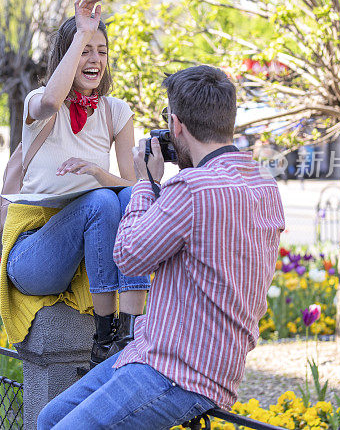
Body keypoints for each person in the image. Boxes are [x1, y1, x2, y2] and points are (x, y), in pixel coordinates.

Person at [38, 65, 286, 429]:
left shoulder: (191, 189)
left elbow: (128, 255)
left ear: (177, 125)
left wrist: (144, 183)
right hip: (167, 353)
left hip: (178, 371)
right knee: (49, 418)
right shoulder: (265, 184)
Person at [0, 0, 150, 369]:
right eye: (84, 49)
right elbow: (52, 100)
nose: (94, 59)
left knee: (123, 198)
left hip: (84, 244)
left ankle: (124, 332)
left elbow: (129, 188)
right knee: (100, 201)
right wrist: (83, 28)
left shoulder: (116, 111)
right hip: (33, 254)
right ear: (66, 56)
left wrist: (98, 173)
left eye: (100, 50)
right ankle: (104, 336)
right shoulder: (40, 102)